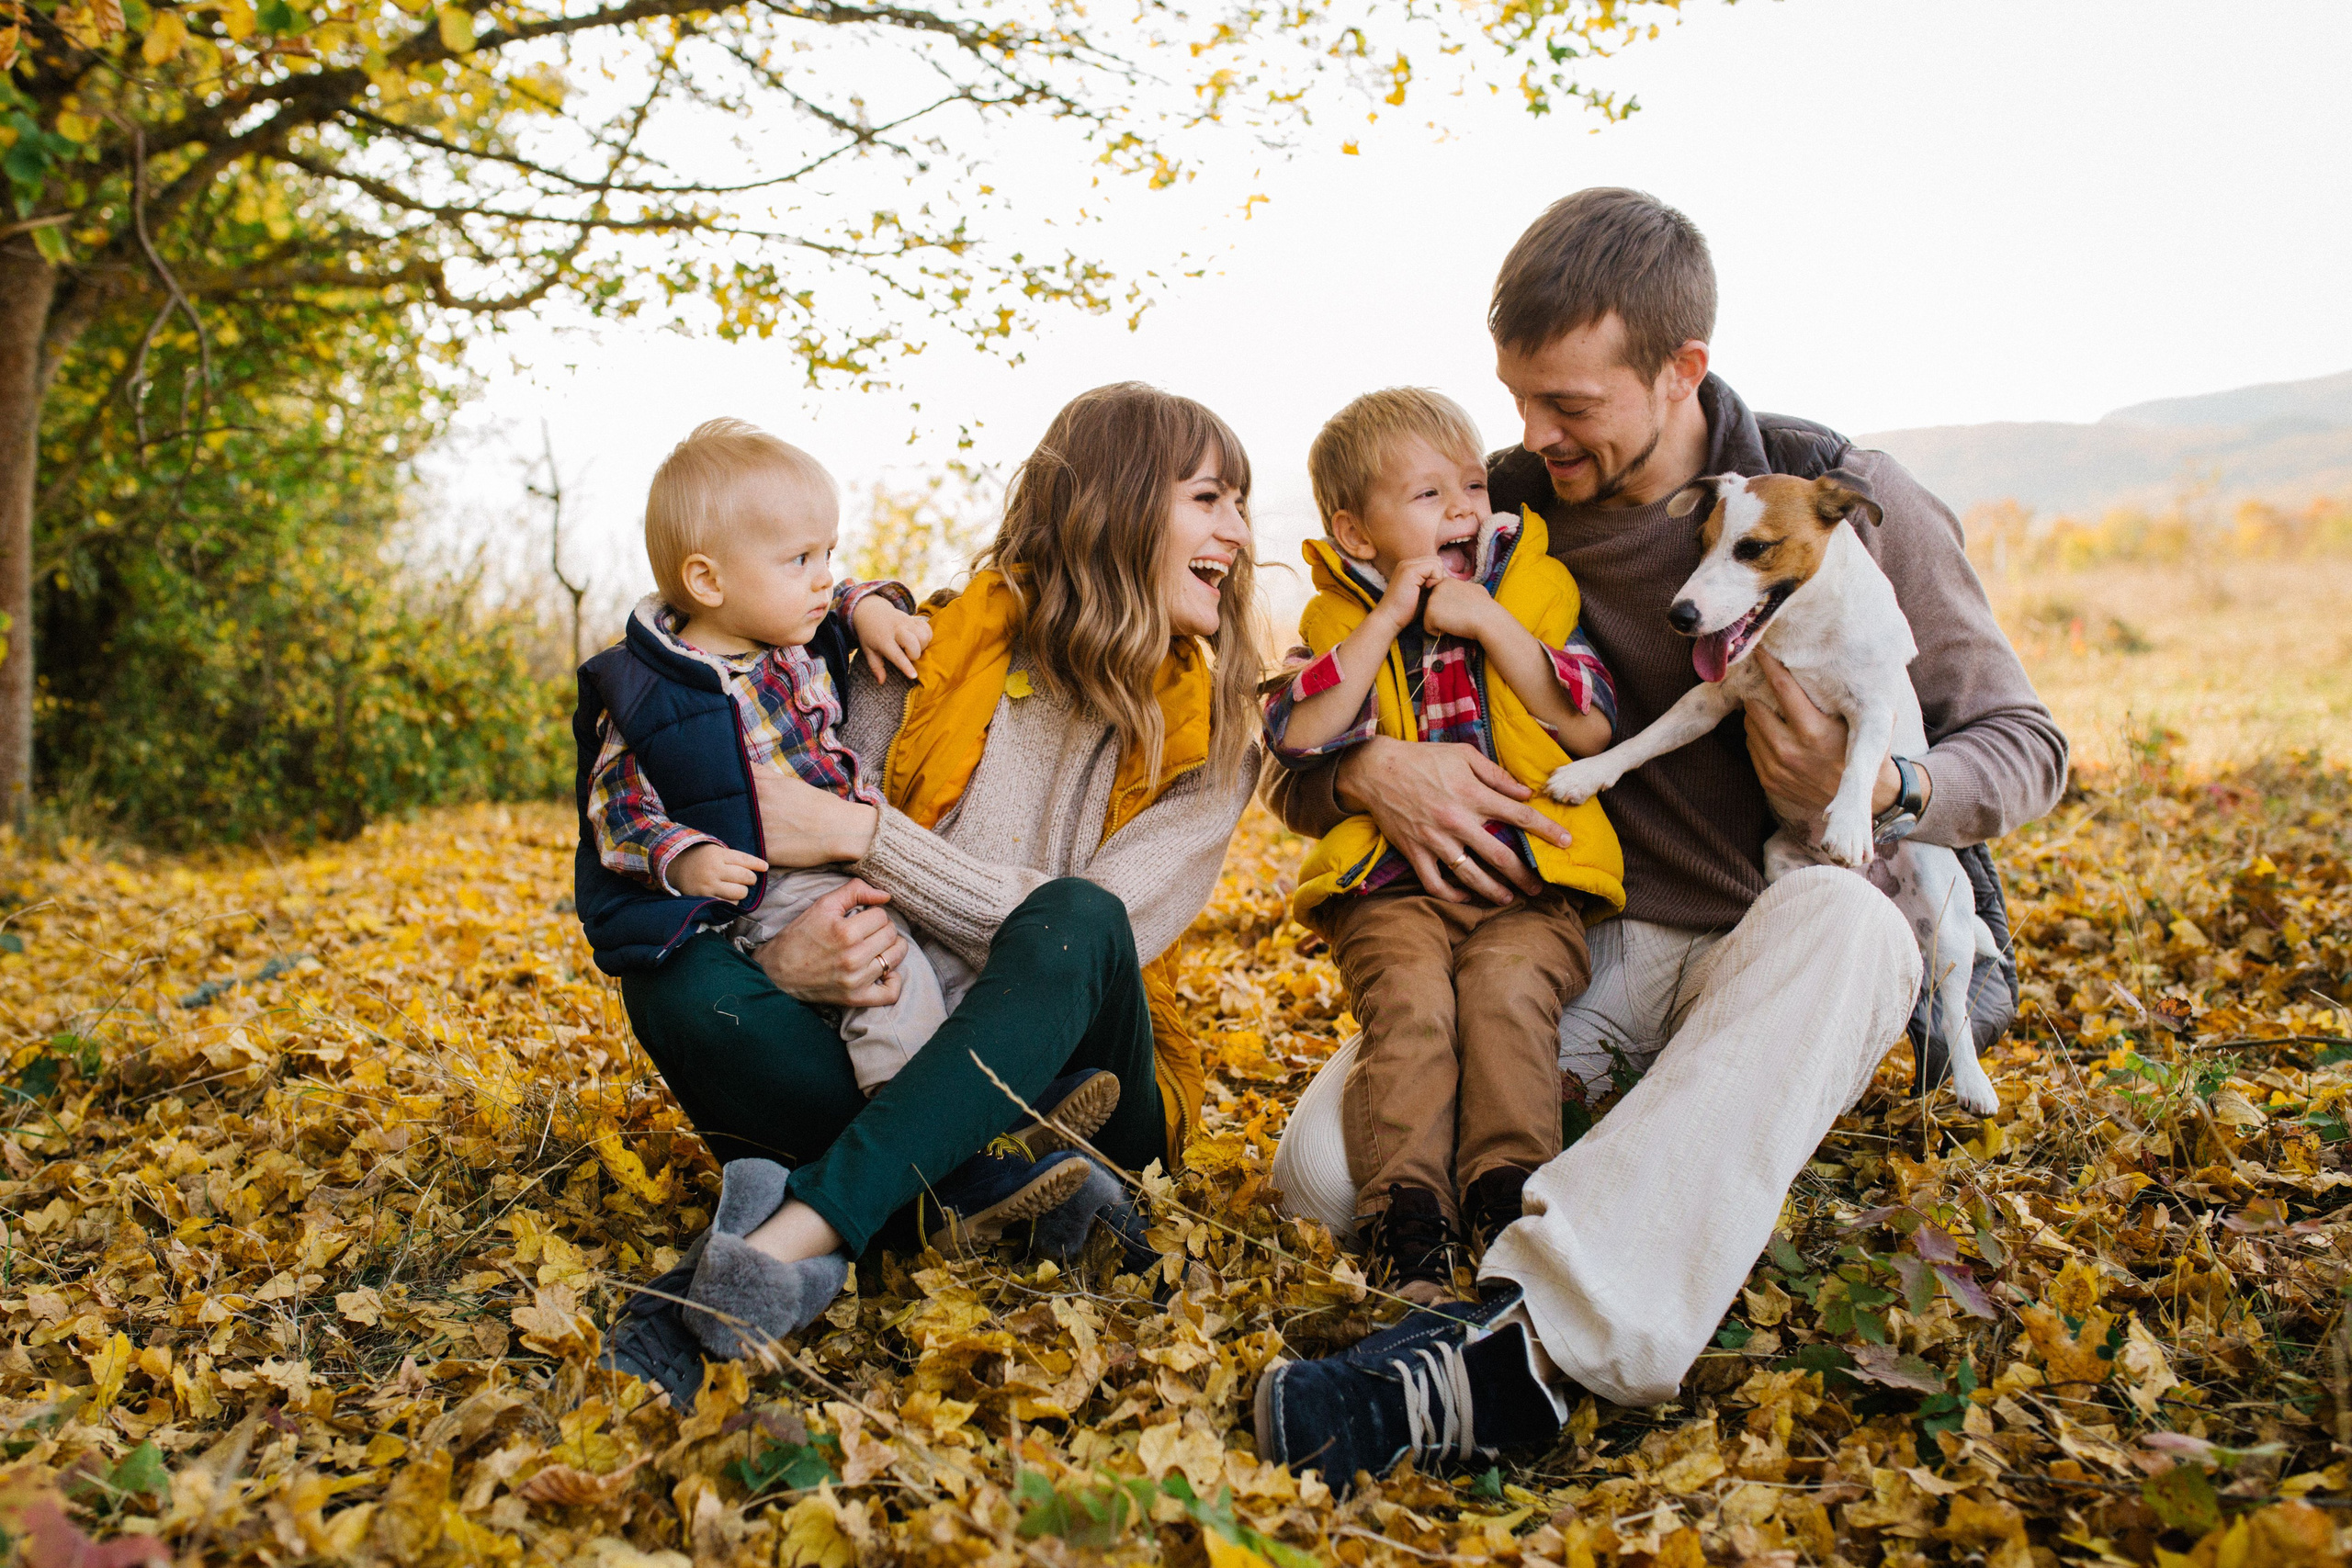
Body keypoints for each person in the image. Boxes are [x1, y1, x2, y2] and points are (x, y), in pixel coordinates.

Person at [1252, 188, 2067, 1486]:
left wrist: (1891, 784)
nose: (1529, 439)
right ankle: (1655, 1141)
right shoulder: (1492, 517)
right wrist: (1371, 767)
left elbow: (2029, 746)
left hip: (1777, 931)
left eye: (1568, 405)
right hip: (1589, 940)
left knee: (1853, 924)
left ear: (1681, 367)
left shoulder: (1837, 492)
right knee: (1325, 1176)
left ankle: (1536, 1353)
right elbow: (1286, 762)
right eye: (1517, 398)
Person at [595, 382, 1267, 1402]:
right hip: (885, 1026)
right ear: (1120, 504)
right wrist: (785, 961)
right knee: (674, 983)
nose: (1240, 531)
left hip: (1086, 1088)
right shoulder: (913, 651)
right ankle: (967, 1190)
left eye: (1241, 505)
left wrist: (871, 838)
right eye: (1212, 499)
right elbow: (776, 838)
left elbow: (1094, 948)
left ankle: (775, 1247)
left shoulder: (1214, 742)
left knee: (1077, 917)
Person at [1262, 388, 1623, 1303]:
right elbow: (1298, 735)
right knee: (1412, 1012)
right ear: (1354, 532)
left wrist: (1487, 623)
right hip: (1390, 888)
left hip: (1528, 879)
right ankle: (1407, 1222)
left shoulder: (1533, 587)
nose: (1464, 508)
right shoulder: (1335, 618)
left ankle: (1508, 1200)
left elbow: (1588, 729)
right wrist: (1385, 618)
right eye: (1427, 497)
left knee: (1506, 999)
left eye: (1471, 484)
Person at [577, 418, 956, 1100]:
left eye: (829, 553)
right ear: (708, 580)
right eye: (800, 559)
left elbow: (842, 599)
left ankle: (1008, 1114)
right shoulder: (652, 689)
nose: (825, 578)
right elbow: (618, 807)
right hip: (778, 887)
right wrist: (685, 855)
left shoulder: (791, 633)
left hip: (857, 854)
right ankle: (926, 1149)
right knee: (890, 983)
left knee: (951, 968)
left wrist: (870, 609)